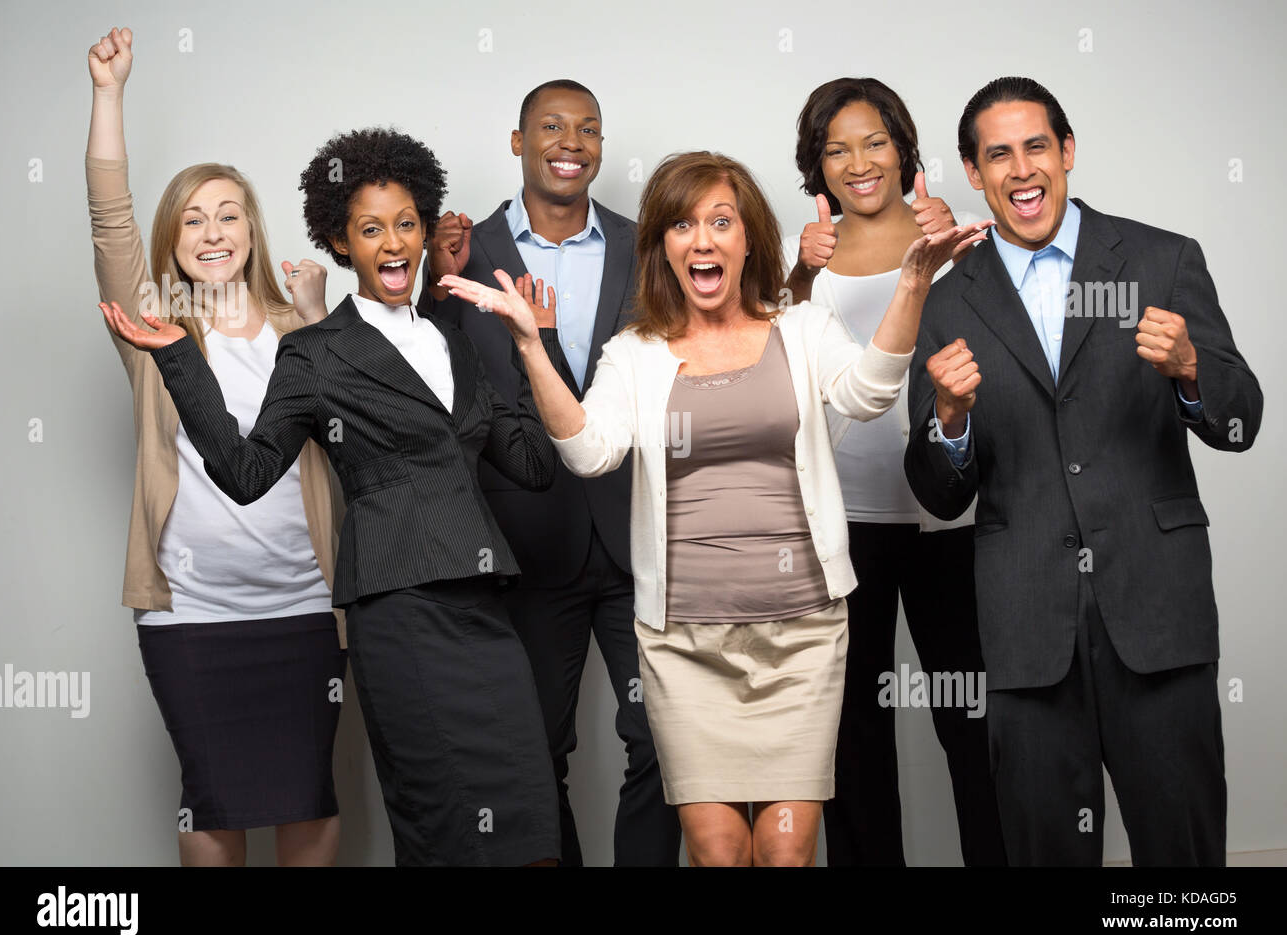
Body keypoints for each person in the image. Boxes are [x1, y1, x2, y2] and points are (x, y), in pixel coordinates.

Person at [440, 150, 989, 865]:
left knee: (787, 851)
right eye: (681, 224)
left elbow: (868, 394)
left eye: (720, 222)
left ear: (749, 240)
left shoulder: (800, 328)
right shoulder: (634, 352)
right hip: (685, 645)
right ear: (662, 247)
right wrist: (530, 345)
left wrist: (913, 282)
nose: (702, 239)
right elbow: (588, 452)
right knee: (720, 849)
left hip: (802, 636)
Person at [101, 125, 563, 867]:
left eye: (406, 224)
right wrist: (181, 362)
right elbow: (247, 474)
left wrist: (538, 342)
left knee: (533, 830)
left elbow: (536, 465)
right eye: (370, 228)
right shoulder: (315, 351)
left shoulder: (456, 338)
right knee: (443, 830)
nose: (392, 242)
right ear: (340, 242)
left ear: (424, 234)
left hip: (484, 612)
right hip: (397, 612)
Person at [904, 76, 1262, 866]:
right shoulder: (947, 300)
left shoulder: (1164, 259)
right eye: (998, 154)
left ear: (1067, 152)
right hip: (1027, 633)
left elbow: (1242, 422)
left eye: (1037, 146)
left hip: (1157, 615)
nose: (1021, 169)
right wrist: (950, 421)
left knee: (1184, 869)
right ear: (973, 171)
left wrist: (1194, 368)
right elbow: (935, 490)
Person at [86, 27, 345, 866]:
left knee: (309, 797)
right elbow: (109, 218)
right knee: (214, 805)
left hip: (305, 607)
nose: (212, 230)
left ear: (252, 229)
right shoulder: (155, 333)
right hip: (193, 616)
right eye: (193, 218)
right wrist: (110, 94)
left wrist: (313, 318)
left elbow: (358, 431)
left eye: (229, 213)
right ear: (174, 238)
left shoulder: (298, 326)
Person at [419, 79, 680, 867]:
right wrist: (435, 283)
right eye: (552, 127)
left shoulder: (648, 244)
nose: (572, 142)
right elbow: (429, 374)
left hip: (640, 539)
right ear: (517, 142)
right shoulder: (468, 251)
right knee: (532, 756)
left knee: (666, 744)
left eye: (589, 129)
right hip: (527, 543)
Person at [783, 77, 1006, 866]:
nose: (858, 162)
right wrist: (800, 279)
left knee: (975, 721)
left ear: (904, 149)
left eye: (874, 141)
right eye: (836, 149)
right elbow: (782, 373)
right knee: (855, 730)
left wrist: (947, 252)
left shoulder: (955, 235)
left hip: (956, 518)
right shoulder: (804, 254)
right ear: (817, 165)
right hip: (848, 523)